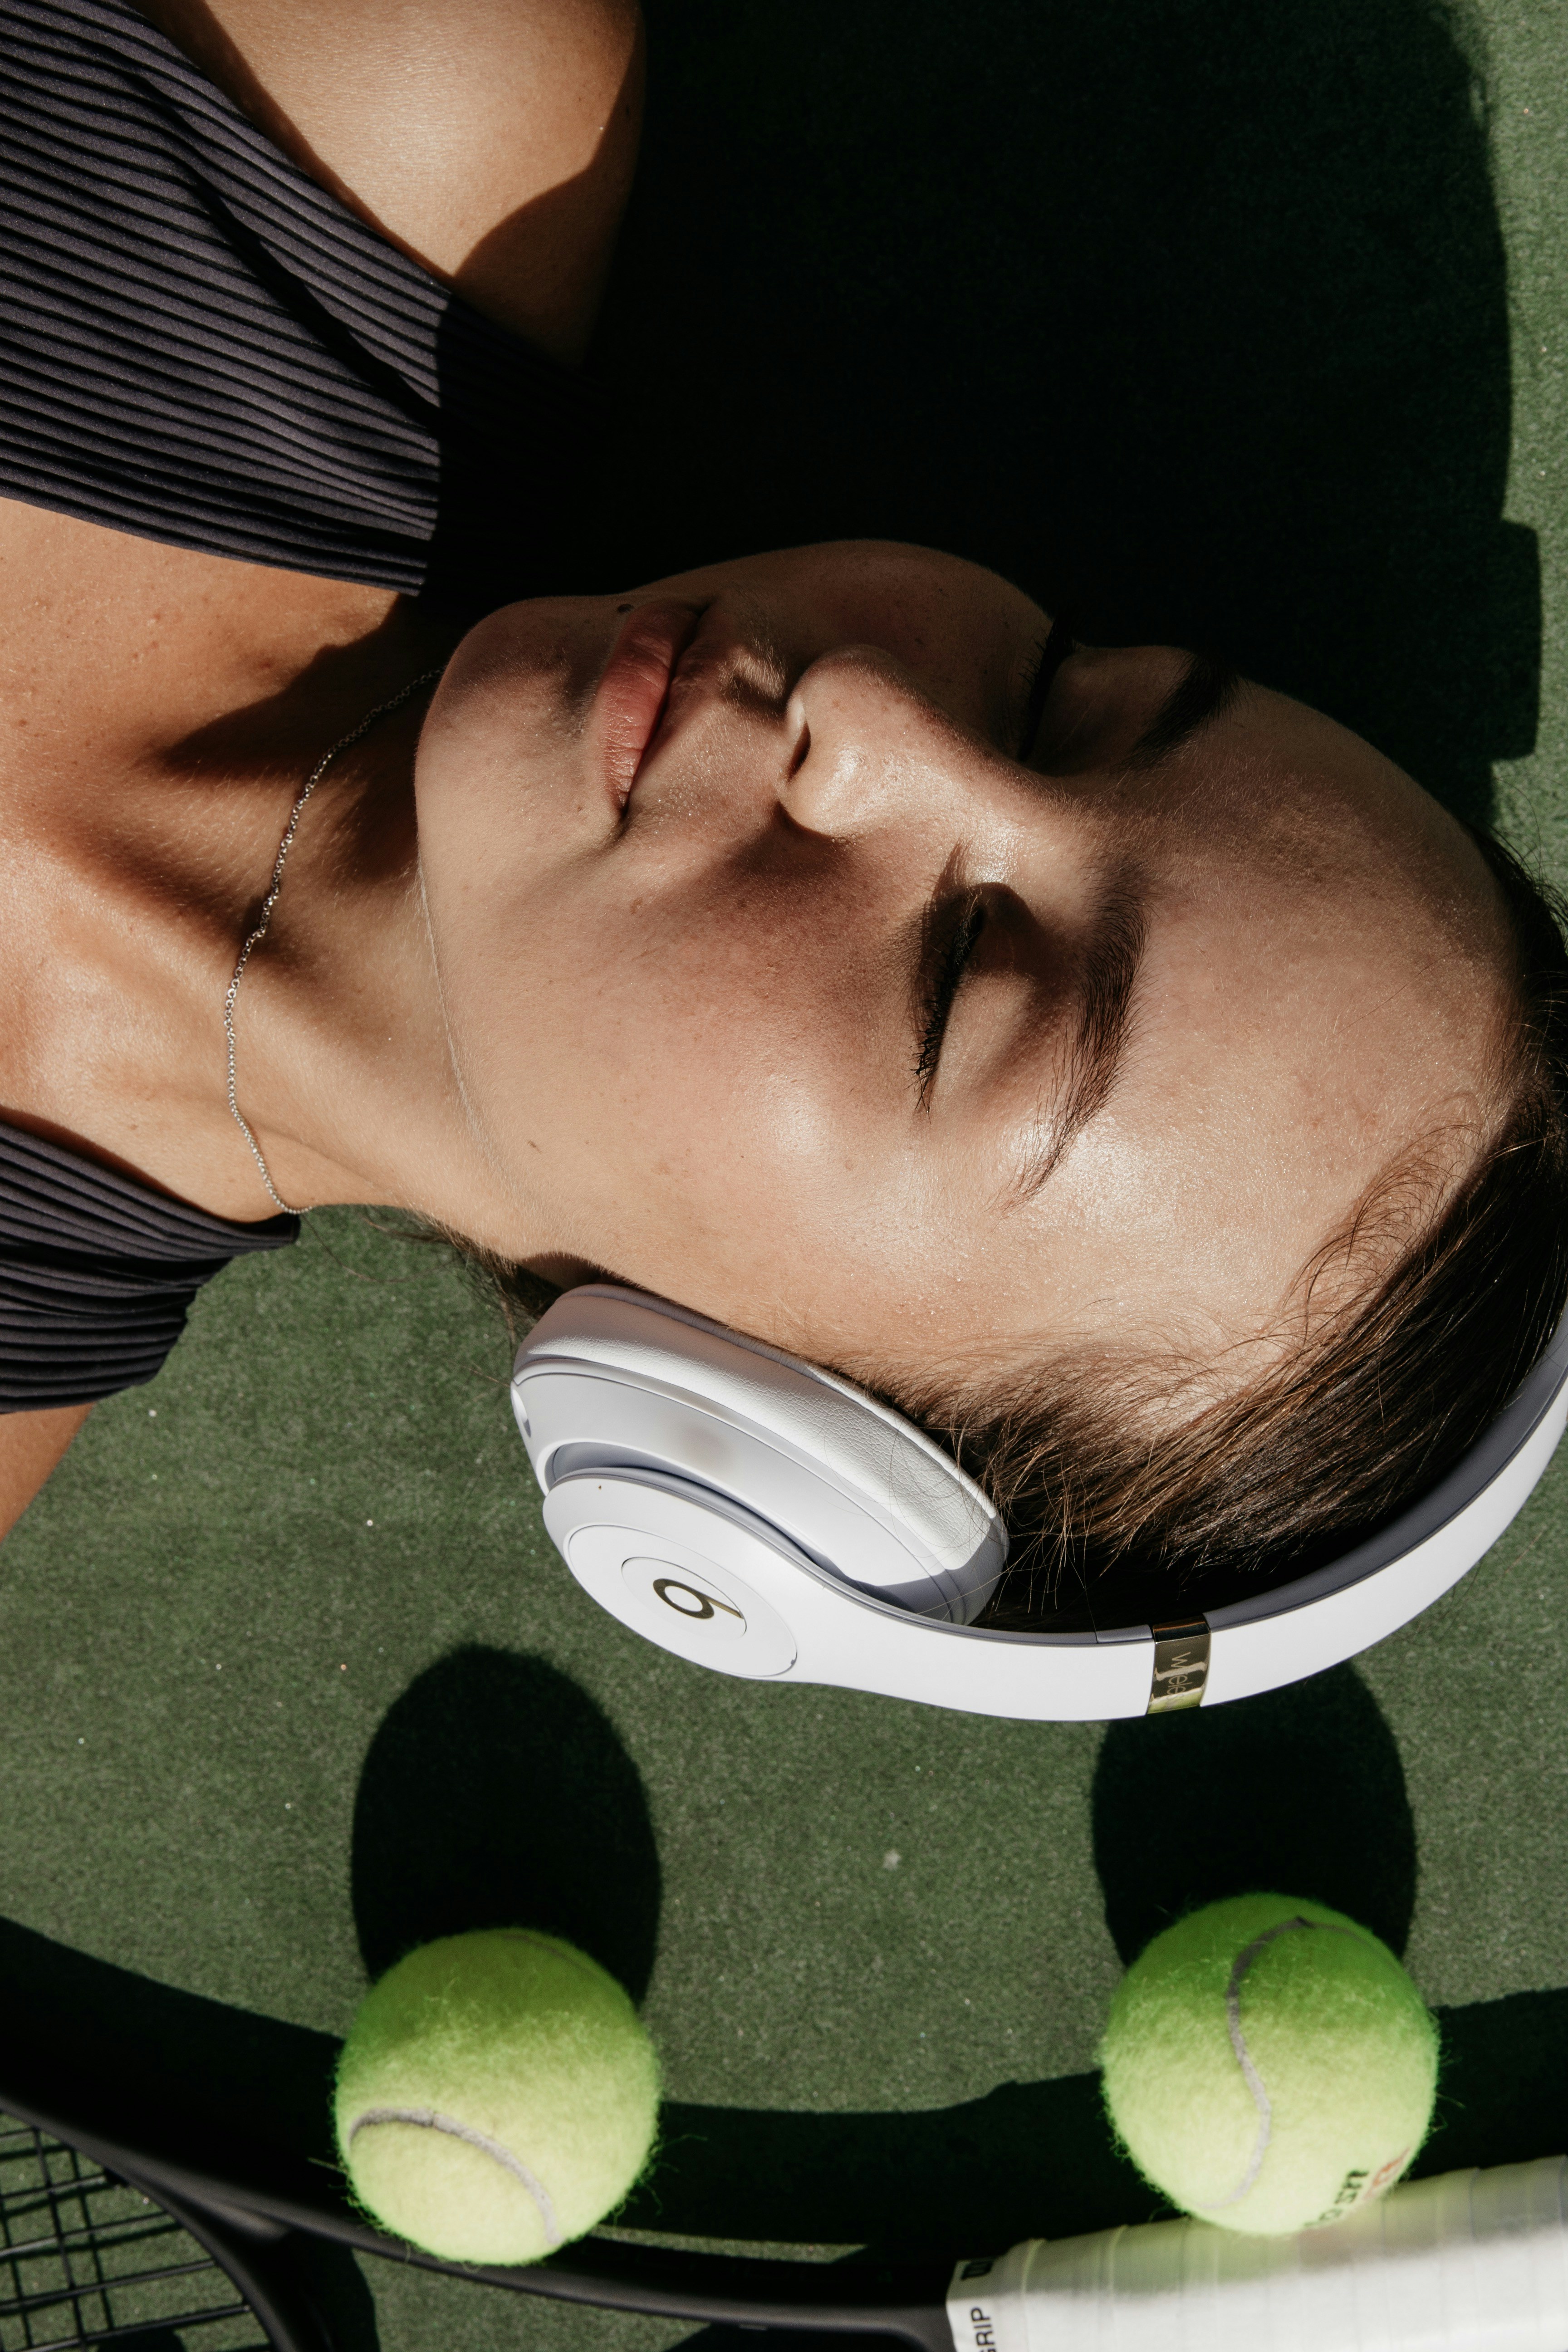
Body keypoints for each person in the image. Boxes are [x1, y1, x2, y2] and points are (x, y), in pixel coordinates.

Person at [0, 0, 1562, 1632]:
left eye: (958, 980)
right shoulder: (390, 86)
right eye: (1057, 695)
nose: (875, 714)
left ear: (757, 1410)